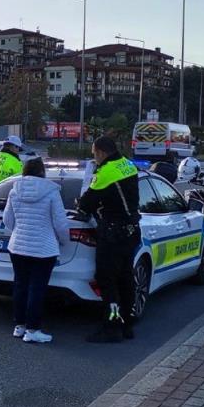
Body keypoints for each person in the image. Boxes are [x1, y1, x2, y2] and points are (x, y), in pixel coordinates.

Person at [77, 136, 141, 343]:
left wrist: (81, 204)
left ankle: (112, 326)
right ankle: (127, 323)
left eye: (94, 152)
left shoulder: (105, 172)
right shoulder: (127, 165)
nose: (94, 157)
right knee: (125, 278)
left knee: (107, 279)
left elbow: (86, 204)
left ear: (103, 152)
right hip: (131, 230)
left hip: (113, 233)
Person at [2, 158, 71, 343]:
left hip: (17, 246)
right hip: (43, 249)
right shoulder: (51, 191)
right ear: (42, 172)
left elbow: (7, 220)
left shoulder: (14, 190)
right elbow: (60, 223)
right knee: (37, 288)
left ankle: (20, 326)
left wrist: (19, 231)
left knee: (20, 285)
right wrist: (64, 241)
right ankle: (33, 330)